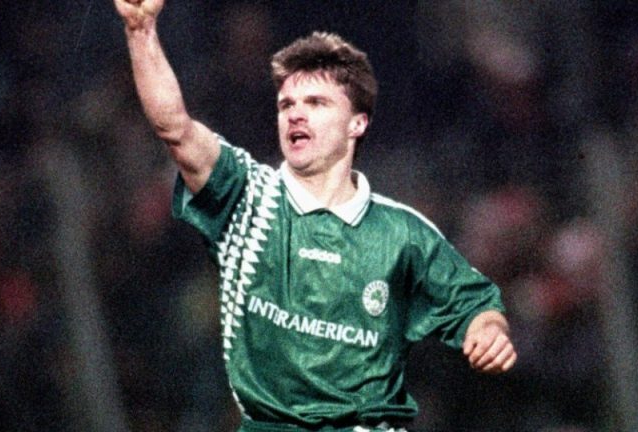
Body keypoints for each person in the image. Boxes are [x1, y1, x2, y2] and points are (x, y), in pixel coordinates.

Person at [113, 1, 517, 431]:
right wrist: (141, 31)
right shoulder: (248, 198)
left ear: (357, 123)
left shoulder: (402, 234)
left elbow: (476, 305)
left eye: (316, 102)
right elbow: (175, 128)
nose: (296, 114)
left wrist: (489, 331)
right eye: (286, 104)